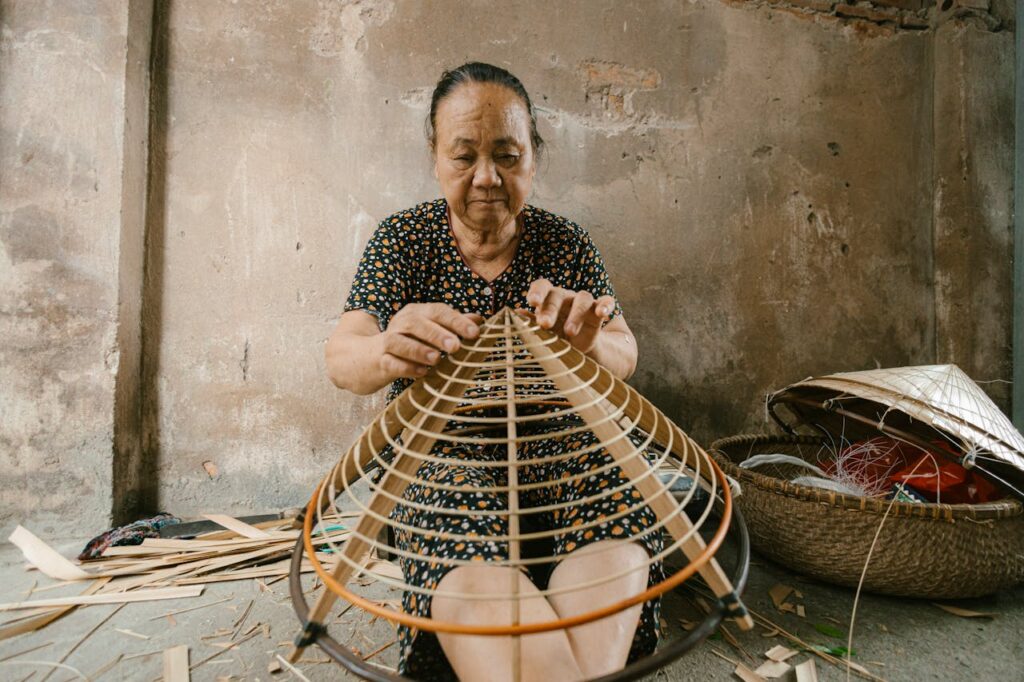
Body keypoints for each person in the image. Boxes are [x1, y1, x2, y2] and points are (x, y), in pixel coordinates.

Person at [327, 62, 662, 681]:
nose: (486, 177)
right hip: (441, 444)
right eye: (464, 157)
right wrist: (386, 350)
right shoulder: (403, 239)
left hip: (560, 438)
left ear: (533, 158)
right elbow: (343, 357)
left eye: (507, 156)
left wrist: (588, 343)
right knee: (451, 518)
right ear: (436, 159)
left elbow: (625, 350)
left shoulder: (565, 243)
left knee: (618, 498)